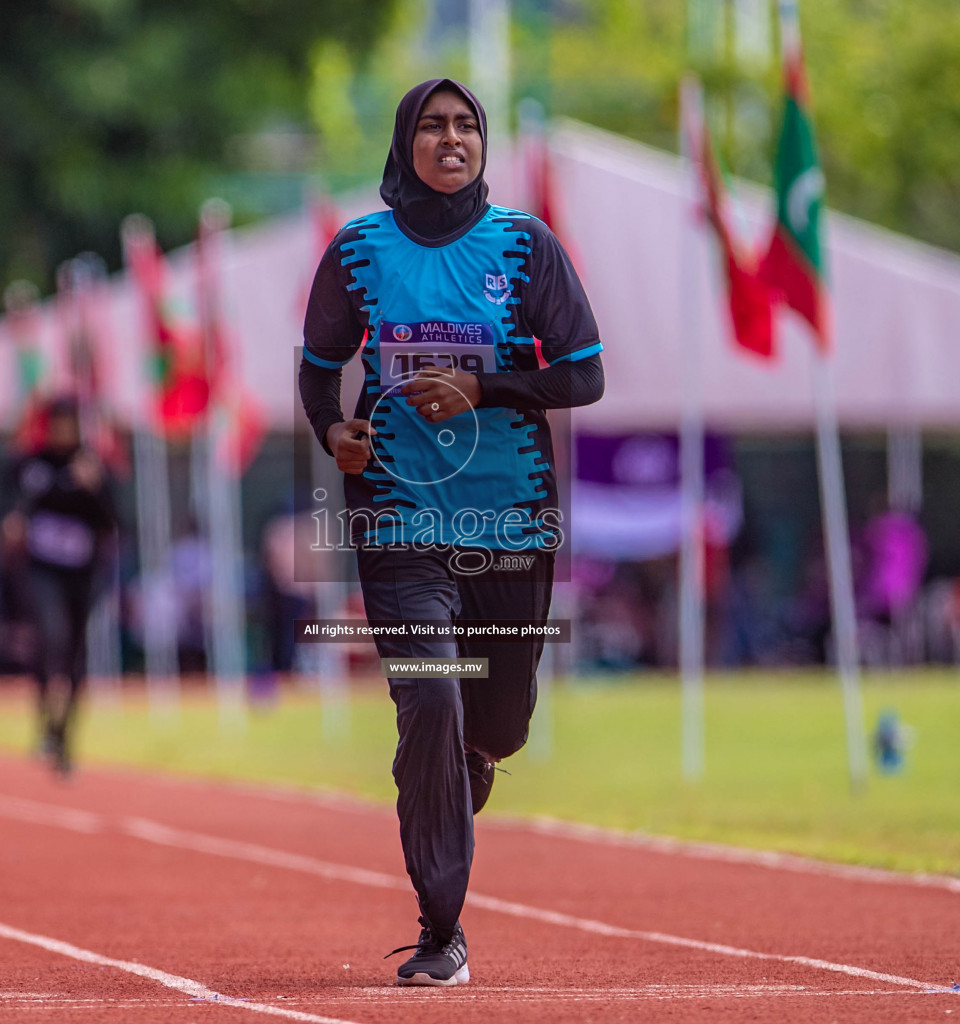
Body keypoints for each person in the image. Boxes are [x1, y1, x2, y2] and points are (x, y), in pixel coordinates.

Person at [299, 78, 604, 986]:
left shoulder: (524, 246)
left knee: (494, 725)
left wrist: (487, 387)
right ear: (406, 143)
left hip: (509, 514)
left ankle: (470, 761)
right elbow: (318, 377)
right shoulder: (358, 253)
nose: (450, 138)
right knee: (430, 696)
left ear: (482, 142)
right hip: (398, 514)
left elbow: (584, 376)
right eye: (432, 125)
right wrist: (334, 433)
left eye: (465, 124)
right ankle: (441, 928)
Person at [0, 397, 116, 775]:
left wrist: (96, 489)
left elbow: (114, 521)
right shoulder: (30, 463)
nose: (64, 432)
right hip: (42, 570)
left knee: (74, 654)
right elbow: (10, 508)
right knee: (52, 637)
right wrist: (12, 523)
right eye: (58, 424)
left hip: (82, 573)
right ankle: (45, 718)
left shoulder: (91, 463)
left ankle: (63, 734)